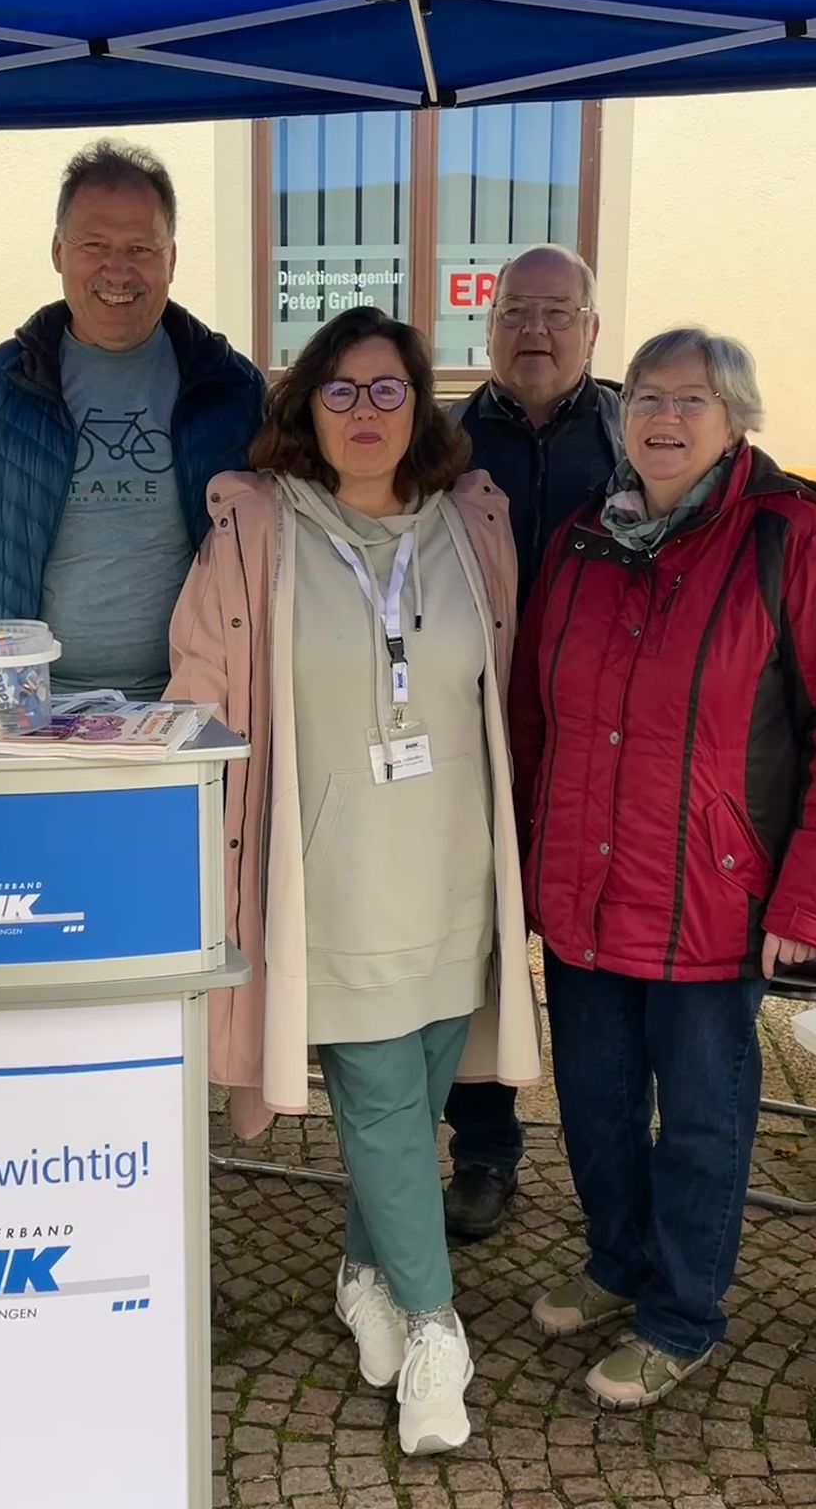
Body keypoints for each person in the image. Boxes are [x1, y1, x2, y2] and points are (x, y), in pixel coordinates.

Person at [166, 307, 541, 1455]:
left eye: (389, 392)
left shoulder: (471, 524)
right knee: (380, 1102)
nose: (366, 414)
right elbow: (201, 685)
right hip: (328, 875)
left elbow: (504, 684)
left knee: (417, 1100)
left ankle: (360, 1272)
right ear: (303, 410)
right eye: (340, 392)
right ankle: (435, 1333)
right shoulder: (258, 527)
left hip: (451, 867)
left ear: (419, 406)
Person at [511, 327, 816, 1409]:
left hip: (713, 897)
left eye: (692, 401)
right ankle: (618, 1264)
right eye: (647, 401)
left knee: (706, 1119)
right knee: (589, 1101)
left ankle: (682, 1312)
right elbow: (535, 715)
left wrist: (813, 895)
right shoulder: (583, 537)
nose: (664, 420)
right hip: (584, 888)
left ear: (736, 420)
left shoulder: (790, 541)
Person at [0, 140, 266, 697]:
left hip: (188, 706)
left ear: (172, 259)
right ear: (58, 251)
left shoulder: (232, 390)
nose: (118, 269)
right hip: (10, 711)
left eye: (141, 247)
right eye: (95, 244)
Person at [441, 243, 622, 1242]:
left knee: (595, 954)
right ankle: (485, 1150)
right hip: (473, 734)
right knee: (480, 950)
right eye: (516, 311)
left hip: (606, 745)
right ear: (489, 325)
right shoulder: (442, 441)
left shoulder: (641, 434)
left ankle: (612, 1154)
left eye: (558, 312)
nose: (536, 330)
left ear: (592, 329)